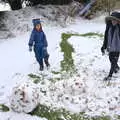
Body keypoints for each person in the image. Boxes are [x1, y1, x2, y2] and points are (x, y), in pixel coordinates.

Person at [101, 12, 120, 80]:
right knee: (110, 58)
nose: (113, 21)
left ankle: (110, 75)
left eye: (115, 20)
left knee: (114, 60)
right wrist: (103, 46)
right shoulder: (109, 27)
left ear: (118, 21)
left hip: (118, 47)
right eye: (112, 20)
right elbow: (106, 37)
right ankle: (116, 67)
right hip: (110, 46)